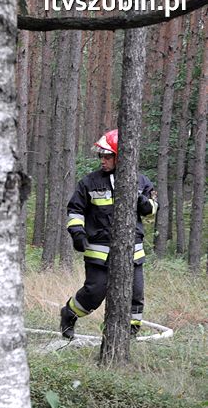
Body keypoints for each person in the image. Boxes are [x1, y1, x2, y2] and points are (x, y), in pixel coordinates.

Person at [60, 129, 159, 339]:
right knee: (94, 292)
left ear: (120, 156)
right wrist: (77, 232)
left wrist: (141, 200)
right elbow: (75, 210)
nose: (102, 161)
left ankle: (127, 336)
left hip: (132, 252)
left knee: (135, 294)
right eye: (101, 156)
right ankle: (69, 314)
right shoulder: (89, 182)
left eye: (107, 156)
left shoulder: (141, 181)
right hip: (99, 253)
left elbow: (152, 211)